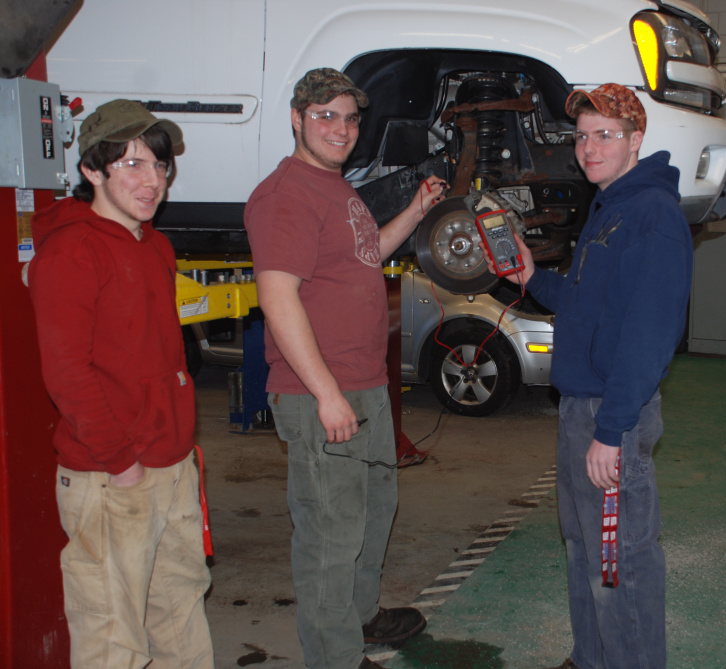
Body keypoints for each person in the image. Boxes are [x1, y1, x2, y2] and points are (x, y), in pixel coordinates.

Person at [243, 68, 447, 669]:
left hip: (364, 386)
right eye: (325, 115)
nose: (340, 128)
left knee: (373, 511)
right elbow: (278, 299)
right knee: (331, 535)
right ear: (296, 117)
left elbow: (364, 257)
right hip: (321, 395)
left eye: (350, 118)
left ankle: (359, 617)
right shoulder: (286, 195)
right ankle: (334, 655)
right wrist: (326, 394)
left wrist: (415, 211)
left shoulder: (338, 187)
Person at [489, 83, 691, 669]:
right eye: (582, 136)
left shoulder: (652, 214)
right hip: (581, 408)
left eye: (605, 135)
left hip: (611, 415)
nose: (589, 147)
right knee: (583, 547)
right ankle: (591, 656)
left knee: (619, 559)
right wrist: (531, 278)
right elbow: (587, 303)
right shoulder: (610, 207)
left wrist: (613, 428)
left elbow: (649, 334)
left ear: (635, 140)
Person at [28, 99, 215, 668]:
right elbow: (67, 373)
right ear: (92, 170)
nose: (153, 180)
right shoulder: (72, 250)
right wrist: (119, 461)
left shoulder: (154, 245)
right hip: (111, 477)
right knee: (113, 639)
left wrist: (176, 453)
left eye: (159, 166)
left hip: (171, 465)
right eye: (132, 164)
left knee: (180, 612)